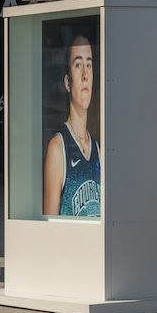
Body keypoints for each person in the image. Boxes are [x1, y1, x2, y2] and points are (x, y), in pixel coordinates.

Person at [43, 27, 102, 217]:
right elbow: (50, 226)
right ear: (68, 82)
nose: (85, 74)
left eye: (89, 65)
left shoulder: (98, 150)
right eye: (78, 65)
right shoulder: (58, 147)